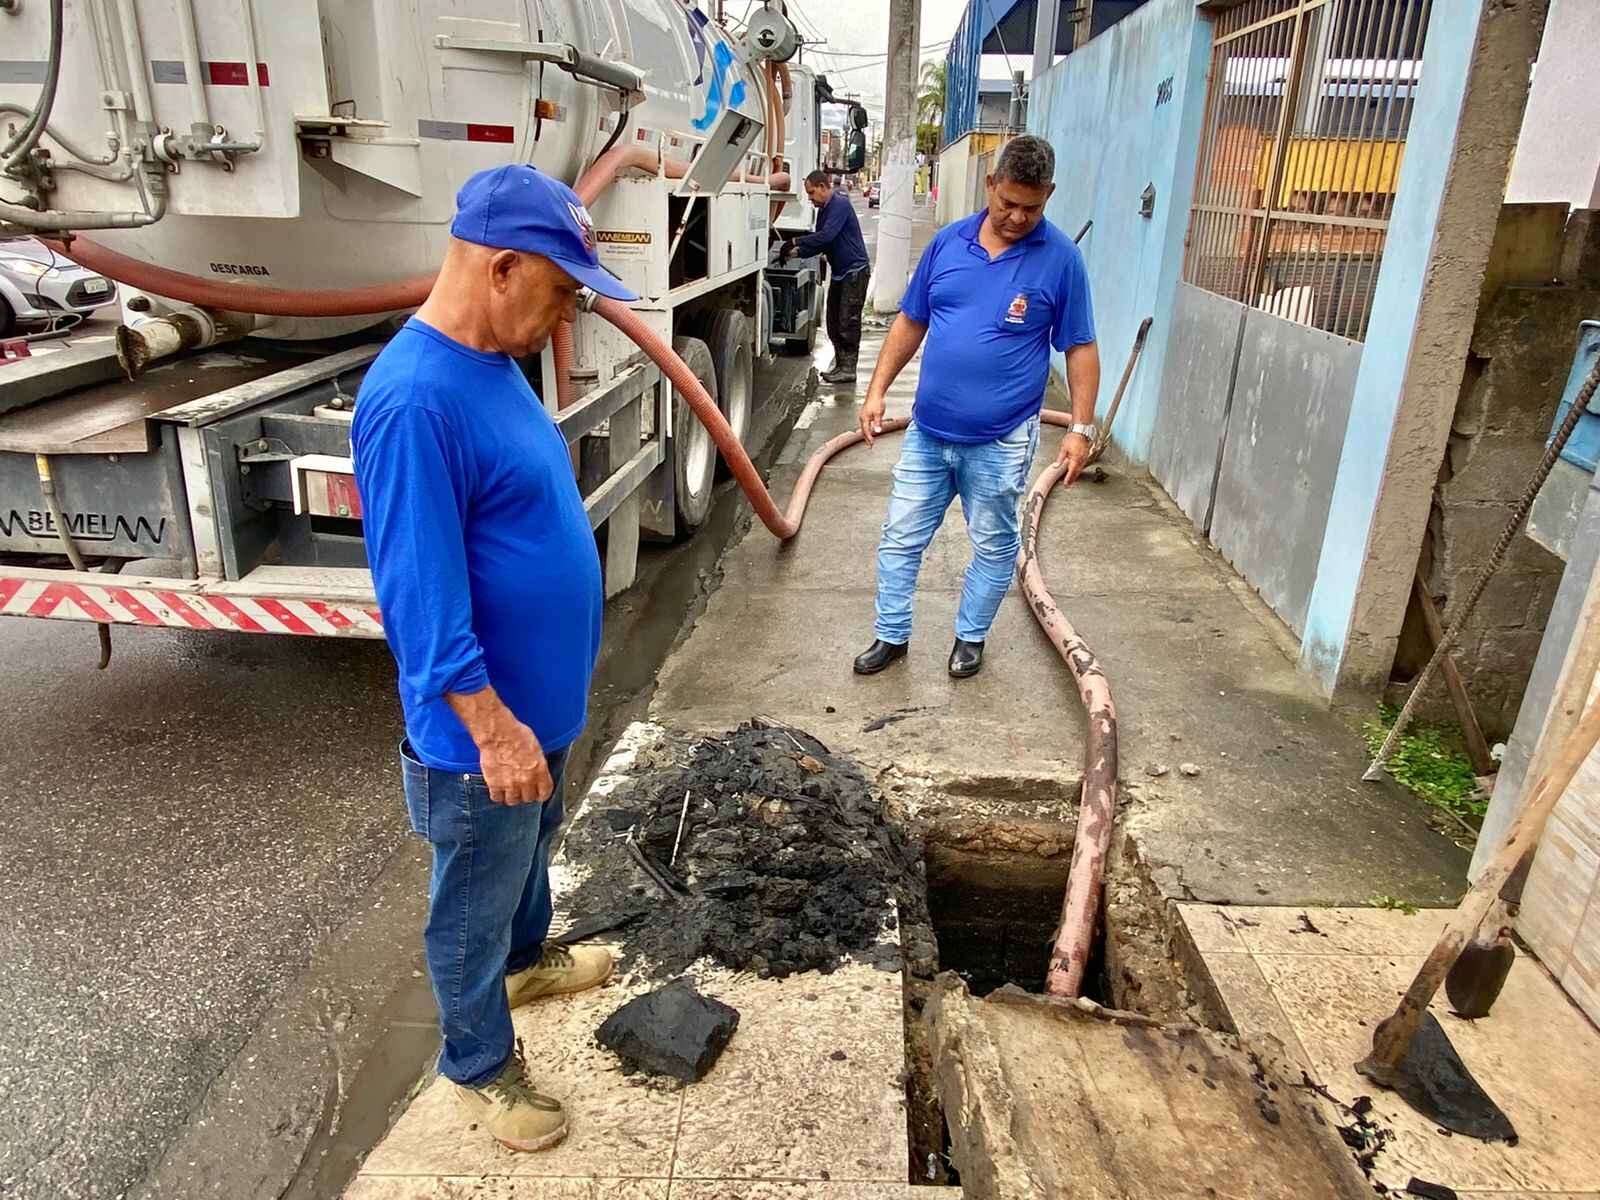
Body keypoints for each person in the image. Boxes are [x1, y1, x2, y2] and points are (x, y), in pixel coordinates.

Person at [351, 164, 638, 1154]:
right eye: (561, 291)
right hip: (483, 736)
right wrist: (491, 722)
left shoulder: (492, 364)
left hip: (534, 715)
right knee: (469, 903)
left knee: (523, 863)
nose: (567, 317)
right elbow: (419, 598)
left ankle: (526, 963)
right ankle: (477, 1066)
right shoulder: (412, 400)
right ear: (503, 268)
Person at [852, 135, 1100, 680]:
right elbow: (910, 321)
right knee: (900, 537)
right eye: (1006, 202)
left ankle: (970, 638)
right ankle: (891, 635)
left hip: (1002, 438)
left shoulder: (1061, 260)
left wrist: (1081, 427)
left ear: (1049, 196)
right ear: (990, 184)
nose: (1016, 216)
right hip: (928, 432)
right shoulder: (947, 244)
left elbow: (1080, 346)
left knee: (992, 543)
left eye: (1030, 208)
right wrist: (876, 391)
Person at [782, 169, 870, 385]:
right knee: (833, 321)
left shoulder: (839, 204)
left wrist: (795, 242)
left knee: (847, 322)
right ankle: (841, 365)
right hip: (841, 273)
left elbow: (826, 236)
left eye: (812, 193)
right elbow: (823, 243)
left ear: (823, 187)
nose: (810, 199)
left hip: (854, 272)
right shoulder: (824, 211)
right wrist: (795, 253)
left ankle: (848, 369)